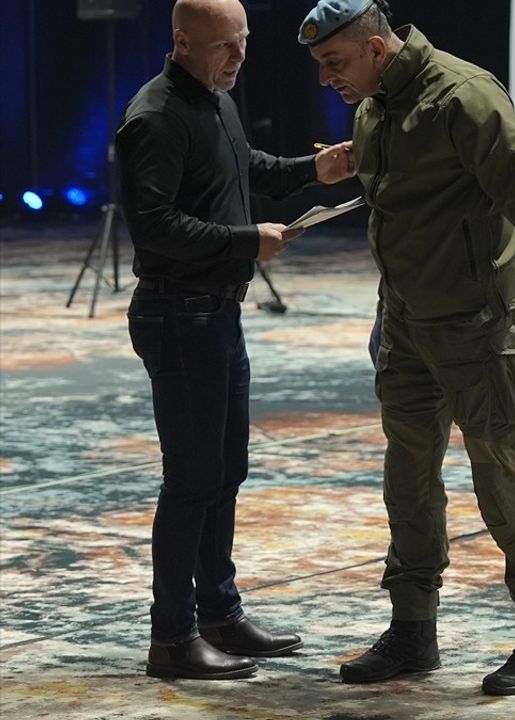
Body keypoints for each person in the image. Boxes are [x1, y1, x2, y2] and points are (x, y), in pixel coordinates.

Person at [297, 0, 515, 695]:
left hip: (483, 332)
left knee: (505, 484)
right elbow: (402, 205)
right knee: (408, 485)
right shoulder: (375, 107)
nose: (327, 78)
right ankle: (412, 631)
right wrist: (388, 307)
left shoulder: (465, 96)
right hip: (411, 329)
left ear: (376, 48)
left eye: (335, 63)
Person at [117, 0, 356, 681]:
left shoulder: (215, 98)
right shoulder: (155, 117)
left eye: (245, 43)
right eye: (226, 46)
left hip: (216, 311)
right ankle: (172, 638)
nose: (239, 57)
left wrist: (318, 170)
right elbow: (155, 226)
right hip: (177, 312)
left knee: (224, 473)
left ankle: (219, 614)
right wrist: (247, 242)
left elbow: (243, 167)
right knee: (191, 481)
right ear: (182, 42)